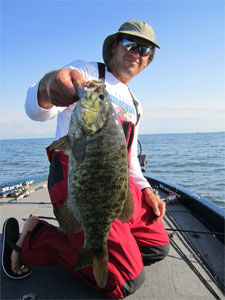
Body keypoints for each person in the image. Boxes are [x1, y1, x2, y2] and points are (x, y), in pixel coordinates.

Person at [2, 20, 170, 298]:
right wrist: (47, 87)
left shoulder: (136, 104)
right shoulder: (88, 73)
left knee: (158, 246)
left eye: (145, 50)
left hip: (115, 187)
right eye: (129, 45)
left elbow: (129, 160)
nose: (136, 53)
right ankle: (36, 238)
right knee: (124, 280)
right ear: (114, 47)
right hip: (79, 185)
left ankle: (108, 239)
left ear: (148, 61)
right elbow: (36, 109)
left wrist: (146, 189)